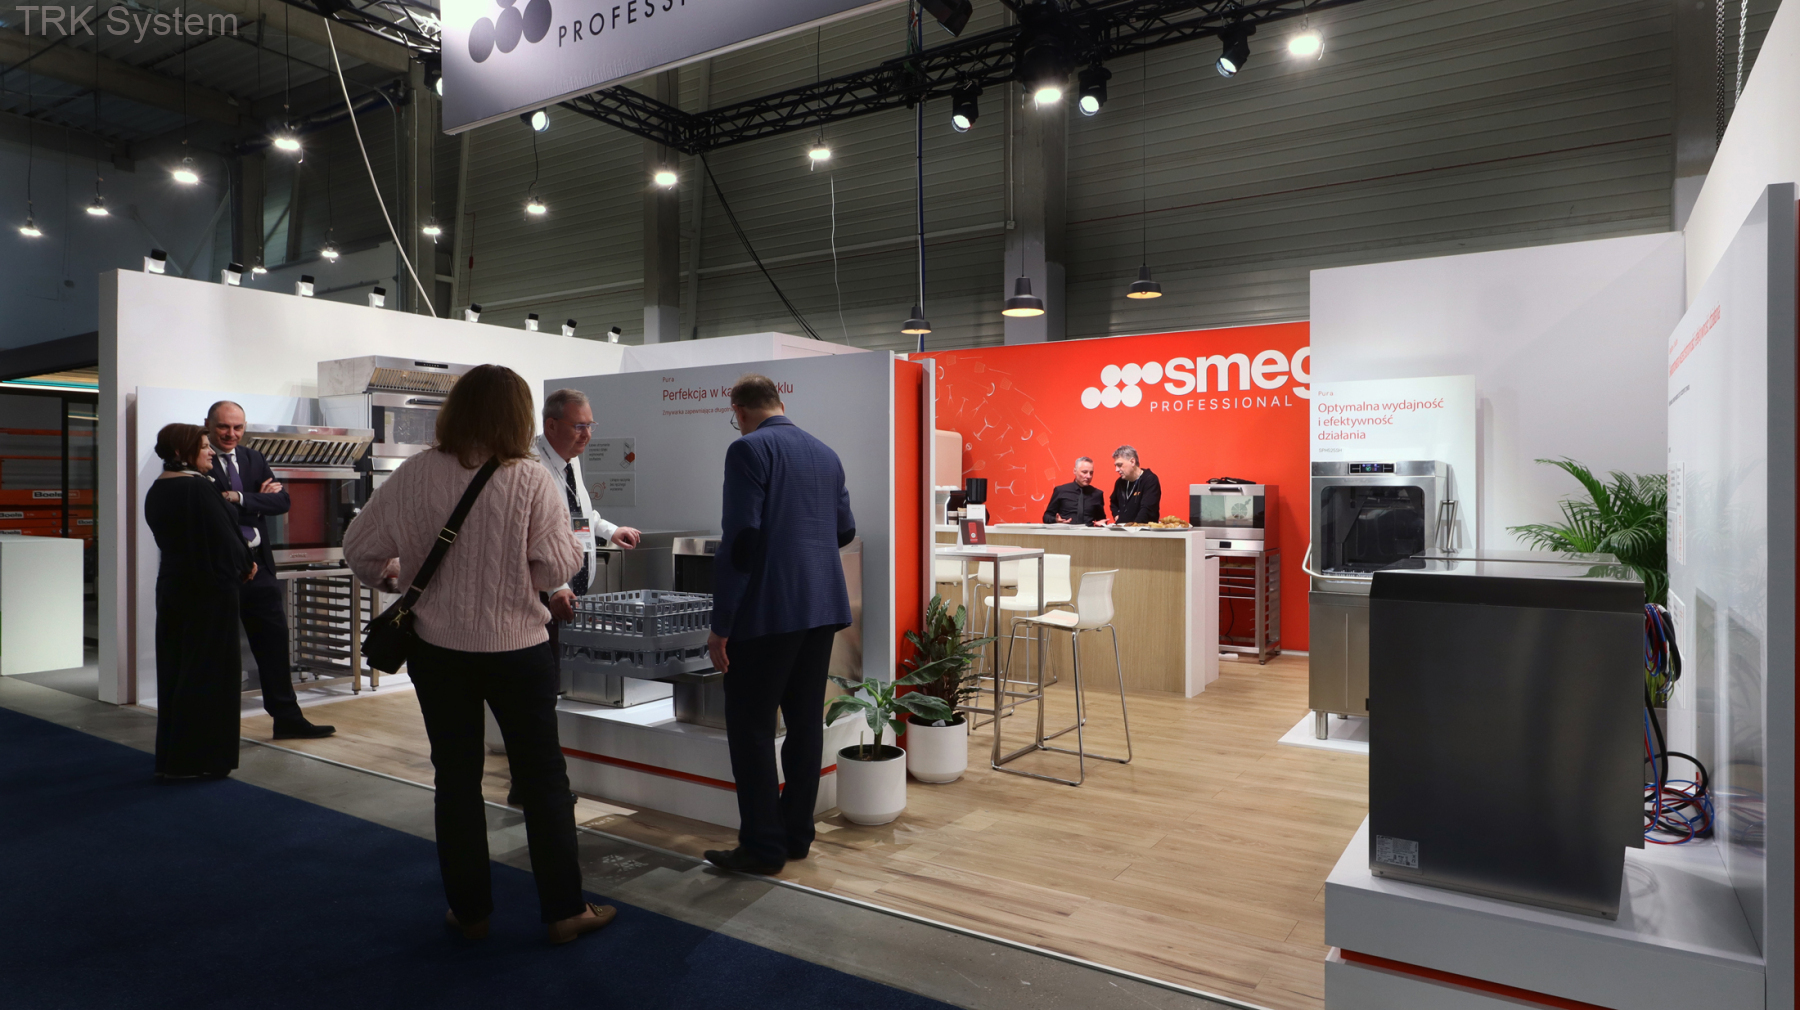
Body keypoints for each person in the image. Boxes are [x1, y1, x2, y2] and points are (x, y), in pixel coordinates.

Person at [343, 364, 613, 945]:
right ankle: (564, 911)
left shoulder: (415, 472)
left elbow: (360, 548)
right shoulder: (531, 477)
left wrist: (396, 578)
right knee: (542, 779)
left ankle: (470, 912)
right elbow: (554, 565)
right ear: (520, 415)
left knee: (456, 778)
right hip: (518, 649)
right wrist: (528, 569)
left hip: (437, 651)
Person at [703, 374, 856, 876]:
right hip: (822, 607)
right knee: (805, 724)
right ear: (780, 403)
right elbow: (844, 529)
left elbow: (741, 542)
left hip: (768, 610)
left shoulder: (747, 449)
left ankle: (762, 848)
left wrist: (721, 623)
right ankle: (795, 835)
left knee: (750, 729)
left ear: (740, 411)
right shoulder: (826, 453)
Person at [203, 401, 333, 740]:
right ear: (208, 425)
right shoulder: (199, 459)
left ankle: (287, 719)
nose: (231, 434)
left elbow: (282, 502)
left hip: (259, 568)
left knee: (274, 645)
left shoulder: (253, 458)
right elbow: (212, 509)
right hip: (222, 570)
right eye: (224, 427)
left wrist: (238, 497)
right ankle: (216, 727)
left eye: (238, 427)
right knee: (219, 651)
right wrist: (252, 500)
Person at [144, 423, 256, 779]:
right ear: (182, 451)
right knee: (210, 675)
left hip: (174, 588)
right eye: (204, 446)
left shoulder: (158, 488)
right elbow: (225, 538)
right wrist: (246, 564)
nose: (210, 451)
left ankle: (175, 759)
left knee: (178, 671)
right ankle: (202, 760)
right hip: (208, 592)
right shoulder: (197, 487)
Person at [534, 388, 643, 630]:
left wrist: (610, 531)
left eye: (590, 425)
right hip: (546, 597)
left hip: (572, 595)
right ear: (551, 426)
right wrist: (556, 587)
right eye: (579, 426)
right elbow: (533, 533)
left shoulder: (571, 458)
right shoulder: (530, 464)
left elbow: (577, 512)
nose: (587, 435)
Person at [1042, 456, 1107, 525]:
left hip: (1088, 531)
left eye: (1091, 473)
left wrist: (1102, 524)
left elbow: (1101, 520)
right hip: (1065, 530)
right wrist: (1056, 520)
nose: (1088, 476)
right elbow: (1046, 517)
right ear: (1075, 471)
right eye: (1084, 472)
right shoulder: (1060, 490)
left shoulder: (1097, 494)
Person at [1108, 445, 1163, 524]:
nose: (1116, 469)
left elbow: (1147, 510)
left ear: (1132, 462)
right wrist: (1117, 516)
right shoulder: (1120, 482)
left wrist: (1134, 526)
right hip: (1123, 529)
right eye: (1115, 466)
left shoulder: (1149, 480)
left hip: (1143, 529)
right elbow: (1113, 502)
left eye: (1120, 465)